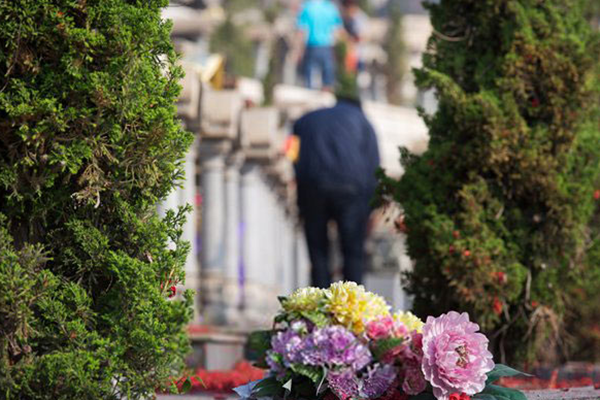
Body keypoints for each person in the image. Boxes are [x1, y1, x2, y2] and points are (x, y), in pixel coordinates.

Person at [292, 86, 380, 288]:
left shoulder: (305, 120)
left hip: (312, 187)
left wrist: (300, 198)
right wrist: (370, 208)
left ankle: (318, 307)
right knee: (352, 252)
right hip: (351, 190)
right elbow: (373, 166)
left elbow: (294, 158)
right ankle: (352, 306)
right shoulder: (363, 121)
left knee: (318, 252)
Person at [296, 0, 343, 90]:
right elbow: (338, 30)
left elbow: (301, 31)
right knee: (328, 81)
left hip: (311, 47)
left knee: (309, 81)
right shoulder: (331, 8)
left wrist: (298, 51)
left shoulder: (306, 7)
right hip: (327, 47)